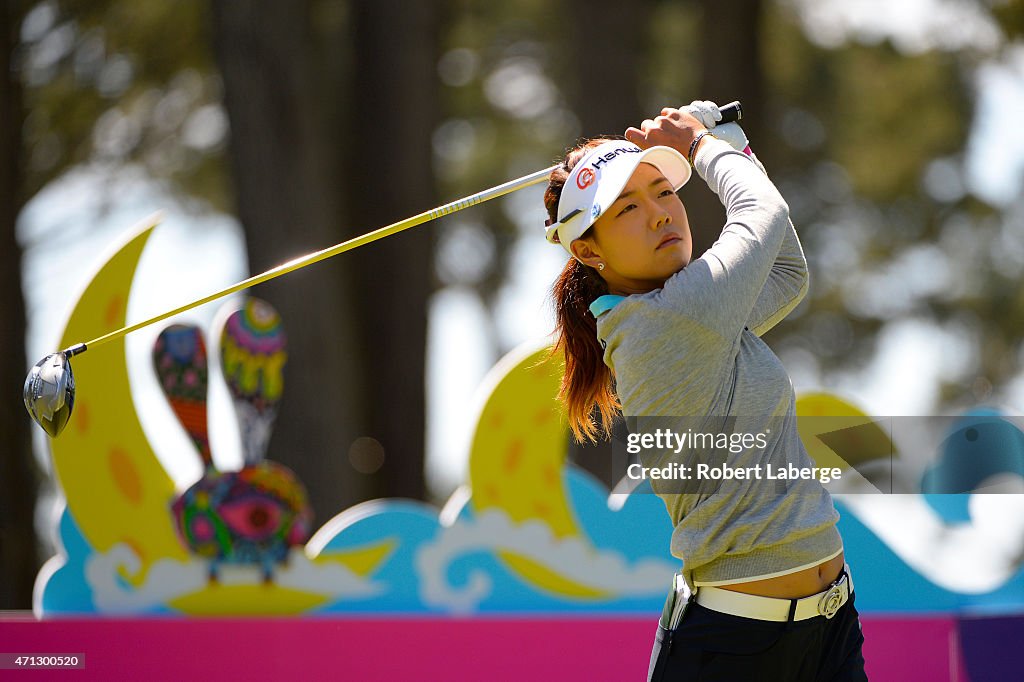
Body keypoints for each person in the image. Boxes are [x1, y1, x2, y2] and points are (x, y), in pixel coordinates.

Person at [543, 101, 867, 681]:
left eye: (664, 192)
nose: (661, 214)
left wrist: (730, 141)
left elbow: (787, 271)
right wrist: (699, 145)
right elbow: (761, 209)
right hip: (734, 649)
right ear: (589, 252)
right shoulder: (671, 318)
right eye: (628, 209)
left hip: (829, 626)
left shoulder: (694, 315)